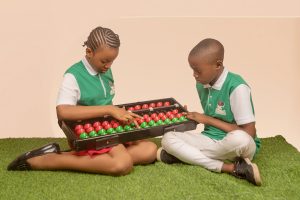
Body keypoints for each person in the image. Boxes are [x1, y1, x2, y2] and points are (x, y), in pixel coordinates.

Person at [7, 26, 157, 175]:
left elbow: (105, 101)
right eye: (105, 61)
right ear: (89, 52)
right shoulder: (73, 76)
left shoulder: (104, 70)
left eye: (112, 61)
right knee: (122, 164)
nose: (108, 66)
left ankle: (96, 159)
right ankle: (49, 159)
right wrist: (109, 109)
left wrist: (119, 114)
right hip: (88, 132)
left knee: (149, 151)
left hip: (108, 128)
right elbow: (63, 111)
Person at [157, 38, 262, 186]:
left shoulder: (237, 87)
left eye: (198, 70)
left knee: (240, 139)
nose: (194, 75)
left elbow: (249, 133)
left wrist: (206, 119)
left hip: (238, 145)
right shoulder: (201, 83)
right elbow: (213, 115)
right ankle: (229, 167)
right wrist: (188, 118)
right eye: (192, 69)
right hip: (210, 140)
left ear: (218, 65)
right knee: (168, 138)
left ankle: (182, 156)